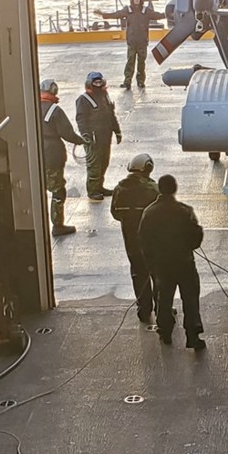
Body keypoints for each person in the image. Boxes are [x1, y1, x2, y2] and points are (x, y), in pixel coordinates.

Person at [138, 173, 205, 350]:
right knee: (190, 298)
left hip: (162, 264)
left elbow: (143, 241)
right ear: (174, 188)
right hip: (184, 262)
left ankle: (165, 331)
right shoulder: (184, 211)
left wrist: (151, 263)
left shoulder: (149, 213)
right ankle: (193, 335)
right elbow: (196, 238)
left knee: (164, 297)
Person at [110, 152, 159, 325]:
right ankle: (161, 309)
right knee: (158, 274)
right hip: (153, 241)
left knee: (138, 274)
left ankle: (143, 310)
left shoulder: (119, 188)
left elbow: (115, 213)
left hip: (131, 241)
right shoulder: (153, 188)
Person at [40, 77, 84, 236]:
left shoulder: (31, 107)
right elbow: (67, 133)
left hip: (35, 153)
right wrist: (81, 141)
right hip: (52, 154)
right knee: (58, 190)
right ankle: (57, 225)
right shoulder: (54, 111)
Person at [74, 70, 122, 201]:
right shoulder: (83, 100)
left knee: (104, 163)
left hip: (105, 137)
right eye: (95, 81)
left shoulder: (104, 96)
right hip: (93, 139)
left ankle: (100, 187)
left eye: (100, 81)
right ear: (90, 83)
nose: (98, 83)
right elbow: (81, 119)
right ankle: (93, 190)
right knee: (94, 165)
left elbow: (111, 115)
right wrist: (86, 135)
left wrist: (117, 131)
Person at [117, 0, 163, 89]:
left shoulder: (146, 11)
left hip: (142, 42)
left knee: (141, 62)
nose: (136, 0)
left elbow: (157, 16)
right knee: (130, 61)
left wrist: (169, 14)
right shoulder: (127, 10)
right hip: (132, 42)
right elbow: (116, 14)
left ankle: (141, 81)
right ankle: (127, 81)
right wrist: (103, 15)